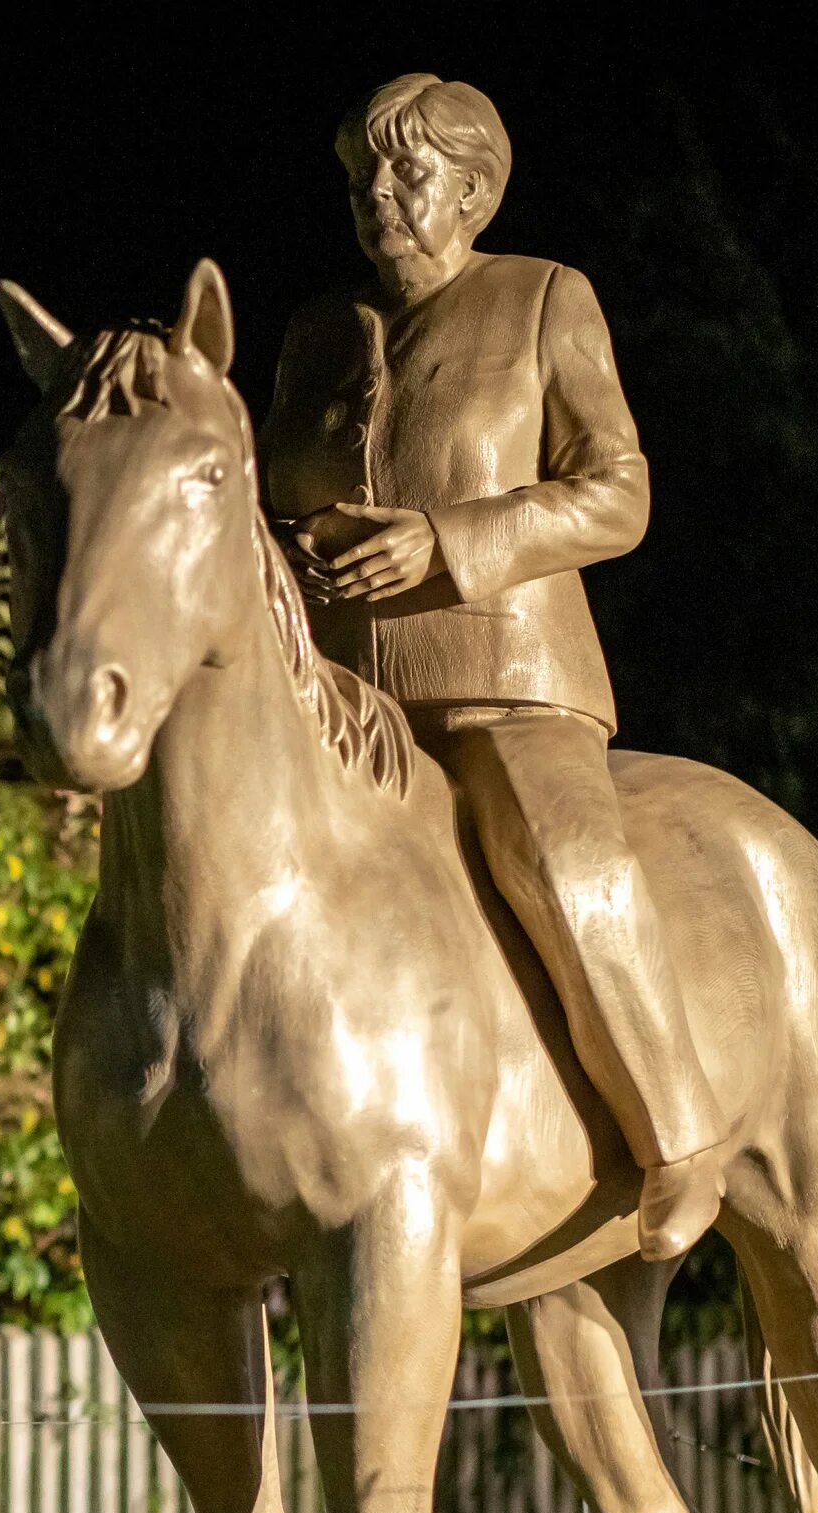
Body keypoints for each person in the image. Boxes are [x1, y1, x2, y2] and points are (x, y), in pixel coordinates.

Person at [261, 72, 732, 1260]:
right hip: (336, 703)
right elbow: (267, 497)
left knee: (559, 849)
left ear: (473, 191)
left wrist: (448, 541)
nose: (378, 194)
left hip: (501, 684)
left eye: (407, 171)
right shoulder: (315, 335)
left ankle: (678, 1131)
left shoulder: (541, 299)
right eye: (360, 175)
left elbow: (617, 492)